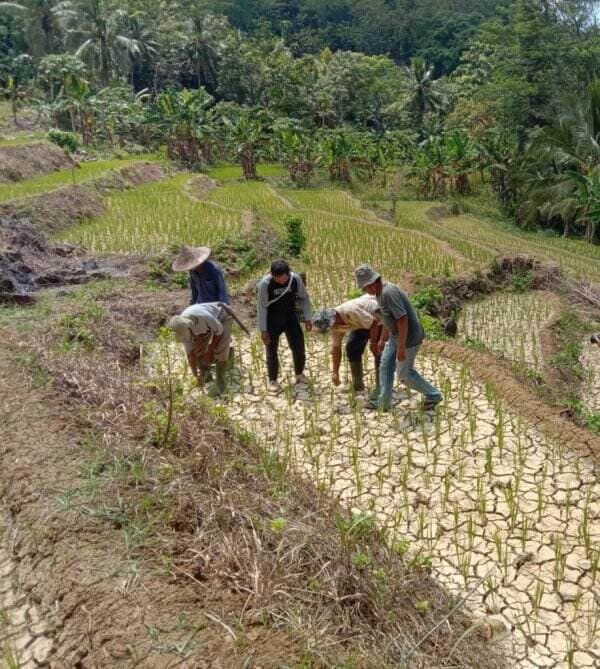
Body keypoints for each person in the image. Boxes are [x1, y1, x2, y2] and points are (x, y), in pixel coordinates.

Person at [354, 264, 443, 412]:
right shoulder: (379, 294)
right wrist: (383, 339)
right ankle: (384, 402)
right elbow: (389, 319)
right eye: (365, 288)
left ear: (375, 281)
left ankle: (433, 395)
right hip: (397, 336)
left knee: (404, 374)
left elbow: (402, 319)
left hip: (409, 338)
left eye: (367, 286)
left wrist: (401, 347)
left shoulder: (388, 293)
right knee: (385, 364)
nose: (367, 290)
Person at [256, 260, 313, 391]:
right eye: (277, 278)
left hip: (290, 316)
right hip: (272, 319)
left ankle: (299, 374)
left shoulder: (295, 279)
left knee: (299, 346)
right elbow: (261, 308)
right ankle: (273, 380)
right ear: (272, 274)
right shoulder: (265, 284)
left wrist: (308, 318)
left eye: (283, 278)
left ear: (288, 273)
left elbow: (304, 297)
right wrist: (263, 330)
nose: (281, 281)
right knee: (271, 350)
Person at [313, 295, 382, 393]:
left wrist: (373, 343)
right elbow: (336, 347)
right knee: (352, 349)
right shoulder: (335, 326)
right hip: (362, 323)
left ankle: (382, 388)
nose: (330, 329)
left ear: (333, 320)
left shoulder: (350, 311)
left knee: (378, 351)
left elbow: (374, 323)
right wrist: (335, 372)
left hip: (379, 319)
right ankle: (358, 386)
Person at [168, 302, 233, 396]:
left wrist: (211, 350)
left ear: (189, 328)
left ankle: (220, 383)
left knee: (220, 349)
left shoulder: (203, 317)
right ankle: (206, 375)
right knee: (199, 351)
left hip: (222, 317)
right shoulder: (181, 328)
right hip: (207, 327)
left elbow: (219, 332)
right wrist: (196, 375)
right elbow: (190, 355)